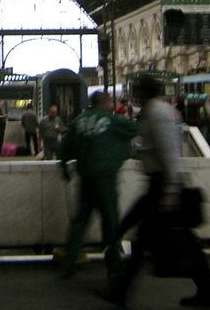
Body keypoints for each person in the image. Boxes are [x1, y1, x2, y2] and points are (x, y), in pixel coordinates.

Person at [104, 76, 210, 308]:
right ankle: (208, 292)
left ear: (142, 92)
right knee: (168, 241)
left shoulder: (158, 114)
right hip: (160, 184)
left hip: (164, 185)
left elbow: (170, 153)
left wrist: (170, 191)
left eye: (136, 90)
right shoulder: (153, 111)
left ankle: (121, 290)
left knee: (157, 239)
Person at [58, 91, 139, 280]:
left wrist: (64, 167)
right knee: (110, 220)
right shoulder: (110, 120)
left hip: (85, 175)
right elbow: (134, 129)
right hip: (105, 177)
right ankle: (114, 266)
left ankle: (70, 258)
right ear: (105, 103)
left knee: (81, 218)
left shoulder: (79, 121)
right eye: (110, 102)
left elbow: (65, 147)